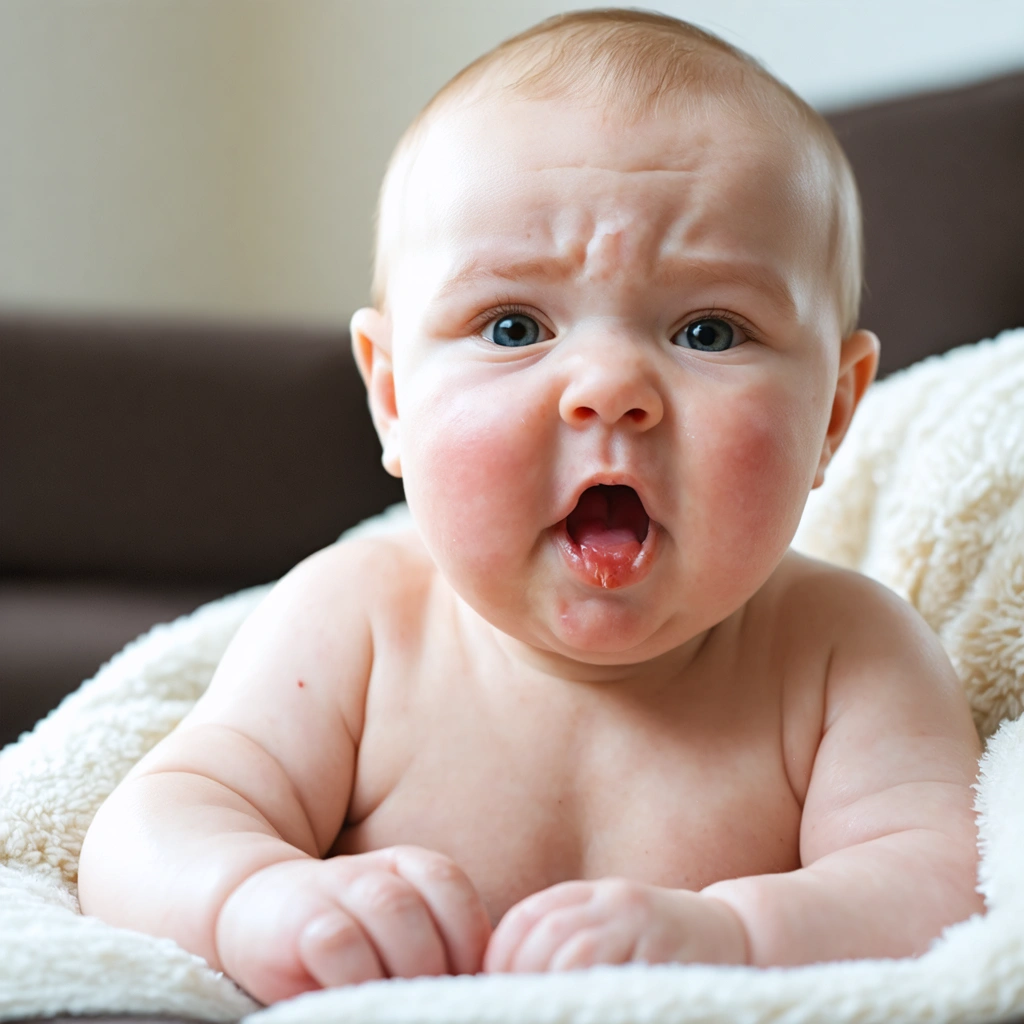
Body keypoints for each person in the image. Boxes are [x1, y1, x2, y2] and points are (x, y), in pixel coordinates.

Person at [77, 9, 984, 1006]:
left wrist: (732, 934)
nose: (607, 386)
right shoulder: (357, 626)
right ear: (391, 396)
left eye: (710, 329)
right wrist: (259, 899)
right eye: (513, 324)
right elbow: (147, 829)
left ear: (832, 416)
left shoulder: (844, 652)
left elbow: (940, 888)